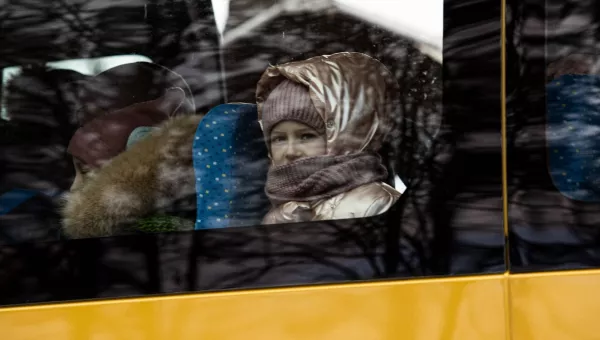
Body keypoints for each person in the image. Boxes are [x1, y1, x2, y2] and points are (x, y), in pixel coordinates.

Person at [256, 52, 402, 224]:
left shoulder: (375, 204)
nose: (291, 151)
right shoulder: (279, 209)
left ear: (345, 135)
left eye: (306, 136)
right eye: (279, 139)